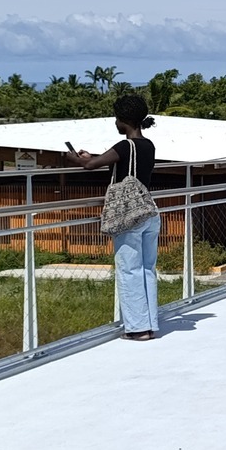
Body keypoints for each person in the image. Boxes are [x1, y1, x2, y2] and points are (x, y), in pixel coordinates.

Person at [71, 94, 161, 341]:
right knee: (147, 269)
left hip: (128, 216)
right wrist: (94, 157)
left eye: (117, 118)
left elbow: (91, 166)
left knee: (129, 269)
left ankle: (137, 329)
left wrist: (75, 159)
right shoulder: (148, 145)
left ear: (123, 121)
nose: (115, 123)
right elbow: (109, 159)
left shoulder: (124, 147)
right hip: (148, 211)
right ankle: (150, 323)